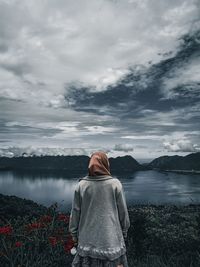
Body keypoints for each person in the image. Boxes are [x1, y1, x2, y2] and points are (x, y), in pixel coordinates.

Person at [69, 151, 130, 267]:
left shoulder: (81, 185)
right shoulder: (115, 184)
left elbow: (75, 213)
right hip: (111, 242)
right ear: (106, 164)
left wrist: (74, 235)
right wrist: (124, 233)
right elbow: (123, 213)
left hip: (87, 242)